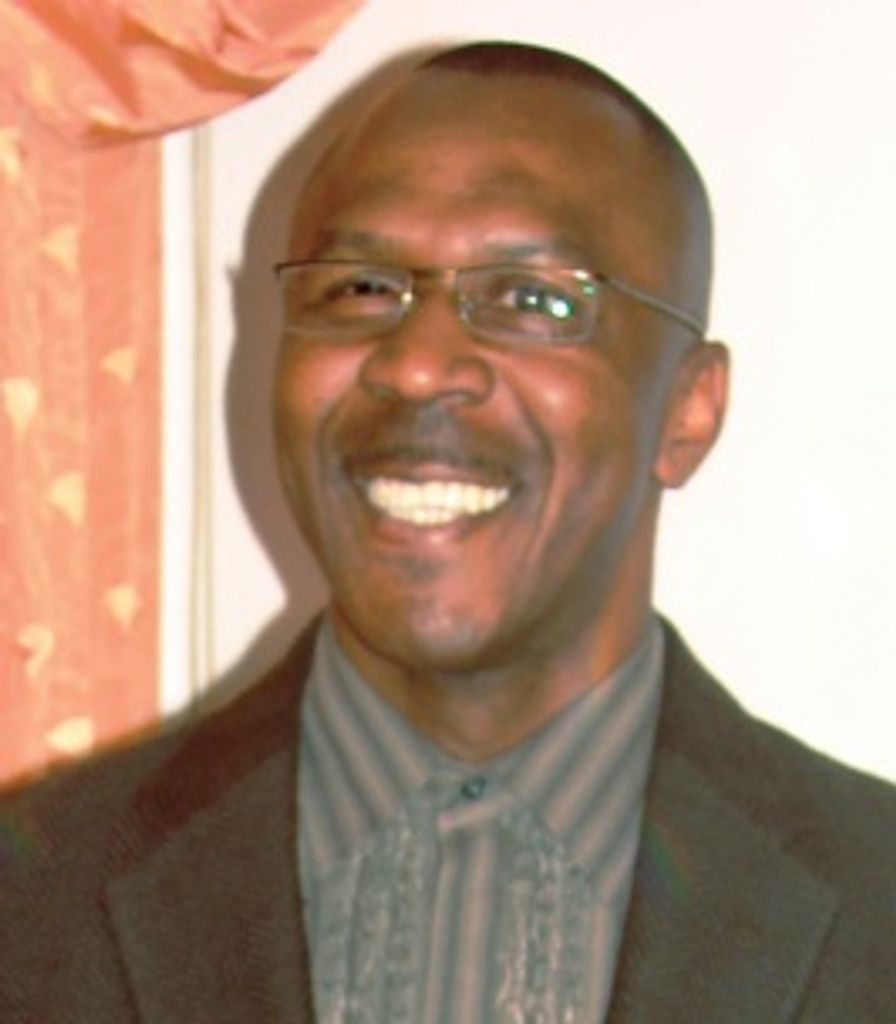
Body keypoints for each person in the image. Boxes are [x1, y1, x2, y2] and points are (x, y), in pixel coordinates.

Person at [2, 40, 894, 1024]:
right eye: (359, 288)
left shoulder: (875, 911)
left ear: (688, 411)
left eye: (532, 300)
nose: (416, 364)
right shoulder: (30, 905)